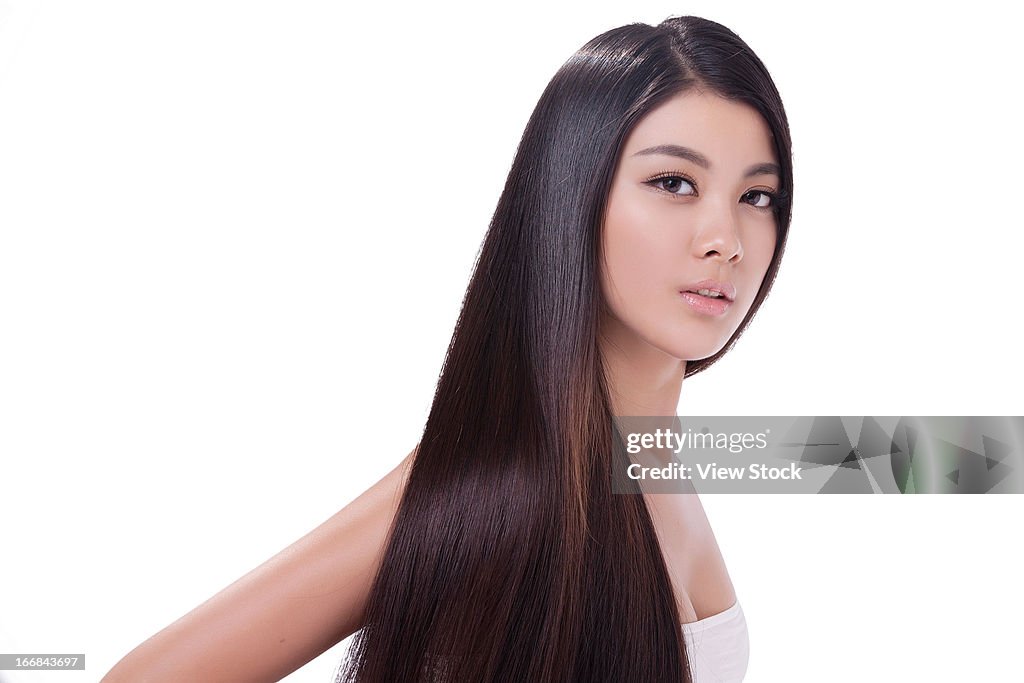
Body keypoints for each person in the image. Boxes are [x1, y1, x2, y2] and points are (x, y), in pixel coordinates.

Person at [101, 14, 792, 683]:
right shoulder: (505, 480)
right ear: (570, 197)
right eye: (674, 183)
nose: (725, 238)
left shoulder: (651, 453)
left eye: (757, 195)